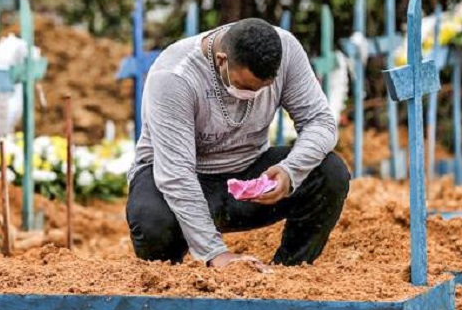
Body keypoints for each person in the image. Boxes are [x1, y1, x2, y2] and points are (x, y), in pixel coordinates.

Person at [126, 18, 349, 269]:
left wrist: (291, 170)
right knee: (152, 221)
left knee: (330, 172)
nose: (253, 94)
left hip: (246, 175)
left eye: (262, 88)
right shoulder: (174, 76)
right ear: (222, 60)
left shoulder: (287, 50)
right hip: (180, 178)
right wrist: (215, 253)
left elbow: (321, 122)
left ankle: (288, 274)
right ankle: (171, 284)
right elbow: (175, 174)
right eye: (245, 86)